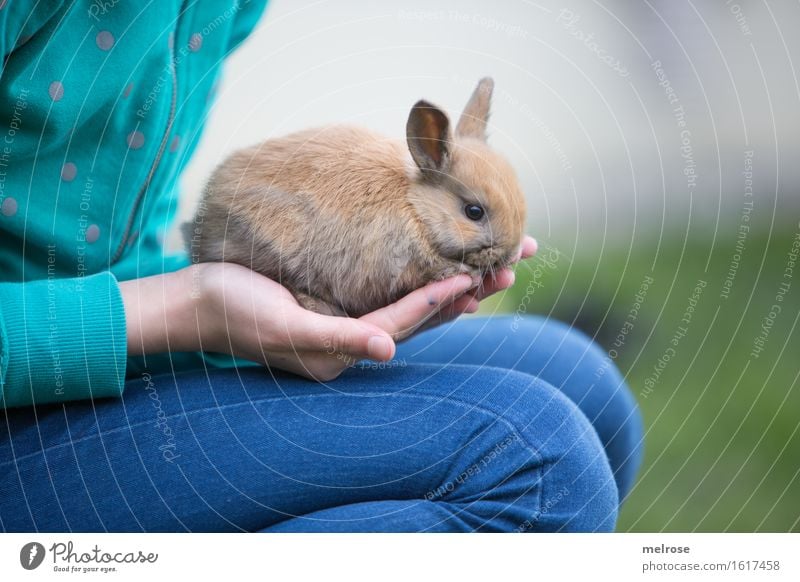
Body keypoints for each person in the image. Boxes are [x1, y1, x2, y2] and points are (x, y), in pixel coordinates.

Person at [0, 1, 642, 532]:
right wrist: (190, 310)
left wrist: (280, 296)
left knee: (581, 378)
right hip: (22, 408)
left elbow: (123, 218)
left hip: (124, 339)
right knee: (544, 462)